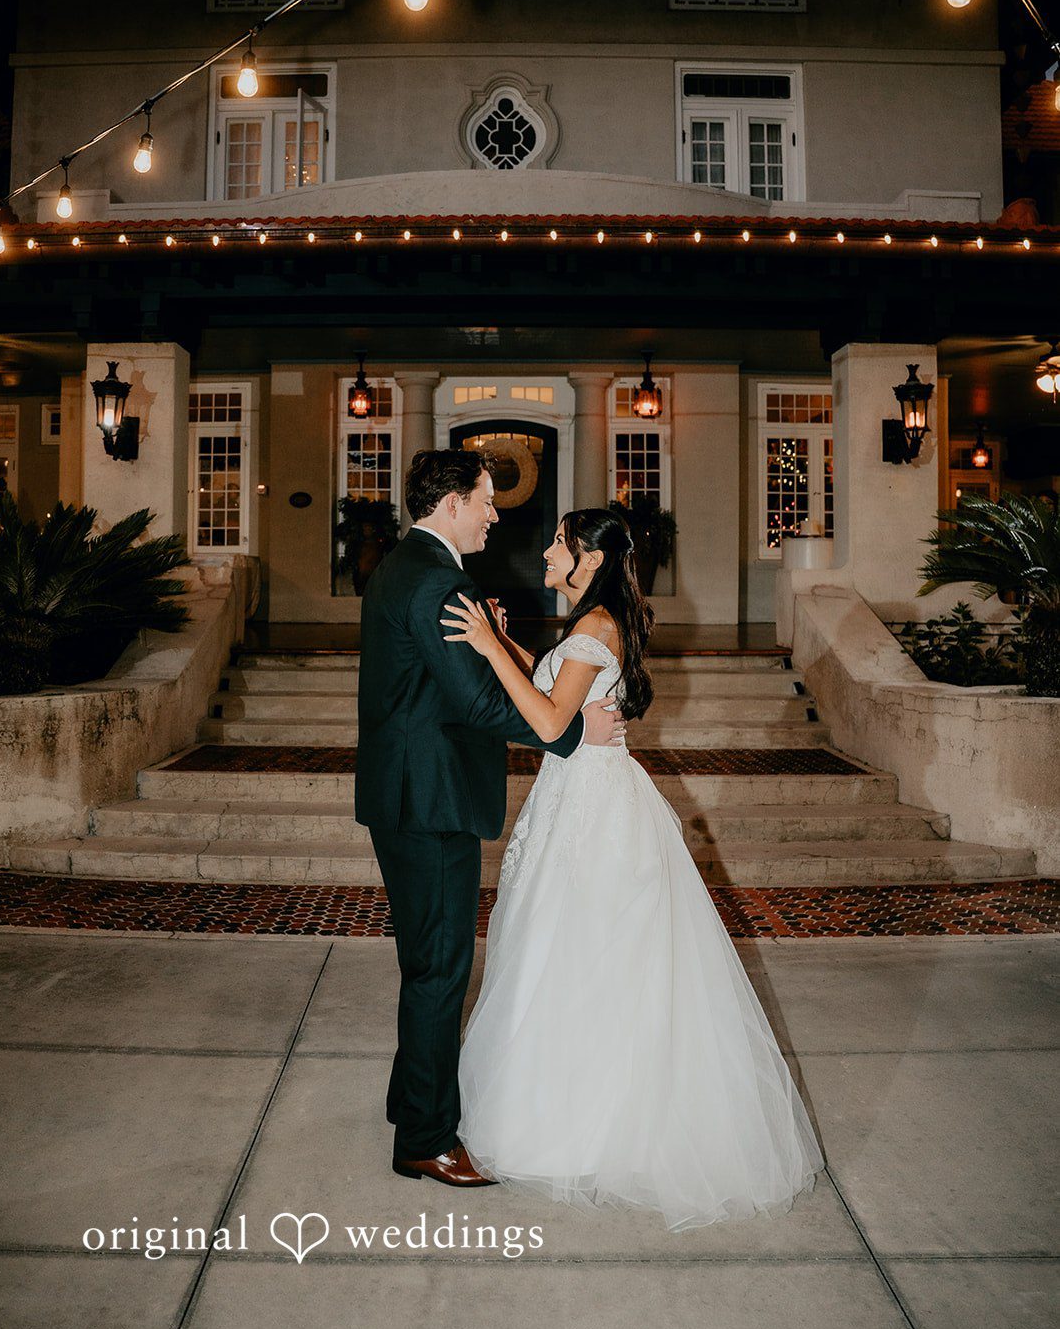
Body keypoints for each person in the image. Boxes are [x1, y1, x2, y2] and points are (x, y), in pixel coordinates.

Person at [442, 506, 826, 1230]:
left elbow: (550, 723)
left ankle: (585, 1122)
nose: (547, 551)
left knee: (580, 954)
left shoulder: (593, 629)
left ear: (588, 559)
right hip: (582, 795)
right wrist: (506, 644)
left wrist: (489, 652)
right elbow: (564, 694)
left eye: (559, 543)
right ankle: (572, 1105)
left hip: (591, 808)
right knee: (572, 953)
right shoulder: (590, 626)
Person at [354, 451, 626, 1190]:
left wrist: (498, 645)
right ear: (449, 503)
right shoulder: (439, 579)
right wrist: (572, 735)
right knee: (440, 968)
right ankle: (426, 1140)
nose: (494, 515)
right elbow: (474, 703)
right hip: (429, 799)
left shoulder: (401, 566)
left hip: (406, 792)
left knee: (426, 962)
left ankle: (411, 1102)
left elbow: (448, 685)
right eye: (484, 500)